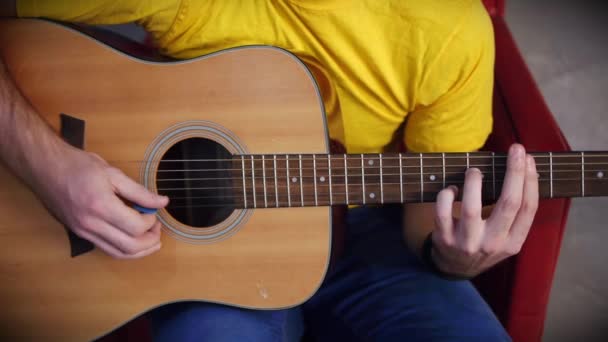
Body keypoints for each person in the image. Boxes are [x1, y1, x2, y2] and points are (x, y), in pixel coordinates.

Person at [0, 0, 539, 341]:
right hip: (195, 256)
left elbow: (430, 208)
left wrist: (457, 255)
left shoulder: (451, 29)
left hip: (372, 233)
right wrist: (50, 168)